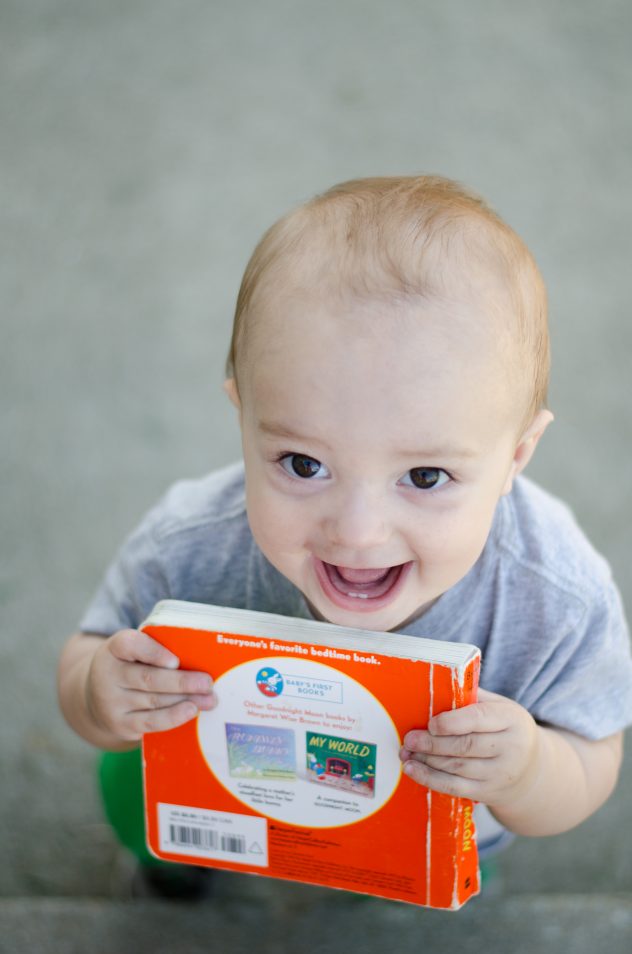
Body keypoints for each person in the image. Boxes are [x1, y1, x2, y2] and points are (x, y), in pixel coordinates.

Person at [57, 175, 632, 897]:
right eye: (304, 465)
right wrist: (99, 694)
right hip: (230, 807)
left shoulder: (557, 598)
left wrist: (527, 770)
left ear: (515, 456)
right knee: (125, 781)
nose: (357, 533)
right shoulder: (188, 545)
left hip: (427, 832)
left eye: (424, 477)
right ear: (242, 417)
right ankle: (176, 863)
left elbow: (593, 756)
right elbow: (85, 655)